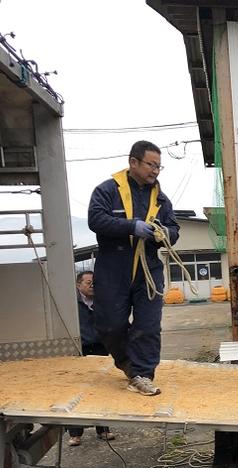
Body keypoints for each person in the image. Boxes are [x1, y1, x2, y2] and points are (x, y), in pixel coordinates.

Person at [87, 141, 179, 396]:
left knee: (148, 325)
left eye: (159, 166)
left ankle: (143, 374)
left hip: (148, 268)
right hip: (113, 266)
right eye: (151, 165)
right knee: (109, 324)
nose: (156, 171)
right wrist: (131, 226)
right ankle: (128, 363)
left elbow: (174, 230)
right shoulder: (107, 190)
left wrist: (164, 233)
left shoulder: (160, 198)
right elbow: (96, 219)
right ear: (133, 162)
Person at [68, 271, 115, 446]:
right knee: (76, 390)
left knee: (101, 388)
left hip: (100, 349)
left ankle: (103, 429)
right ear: (78, 284)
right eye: (88, 283)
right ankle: (75, 433)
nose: (92, 286)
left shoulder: (101, 301)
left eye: (94, 282)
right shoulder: (71, 303)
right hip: (79, 350)